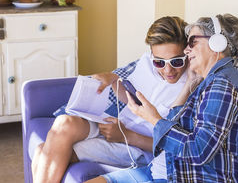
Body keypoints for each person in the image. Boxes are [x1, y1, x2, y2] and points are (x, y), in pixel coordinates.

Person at [87, 14, 238, 183]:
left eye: (192, 42)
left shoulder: (223, 87)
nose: (187, 50)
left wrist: (153, 119)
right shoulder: (207, 82)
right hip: (162, 171)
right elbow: (174, 124)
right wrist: (190, 83)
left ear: (216, 44)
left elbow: (198, 151)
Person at [31, 16, 190, 183]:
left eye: (176, 61)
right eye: (159, 62)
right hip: (116, 125)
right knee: (64, 123)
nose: (168, 70)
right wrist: (113, 79)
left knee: (43, 151)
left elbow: (175, 146)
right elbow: (131, 98)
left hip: (134, 146)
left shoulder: (191, 87)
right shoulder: (147, 62)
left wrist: (125, 136)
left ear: (187, 53)